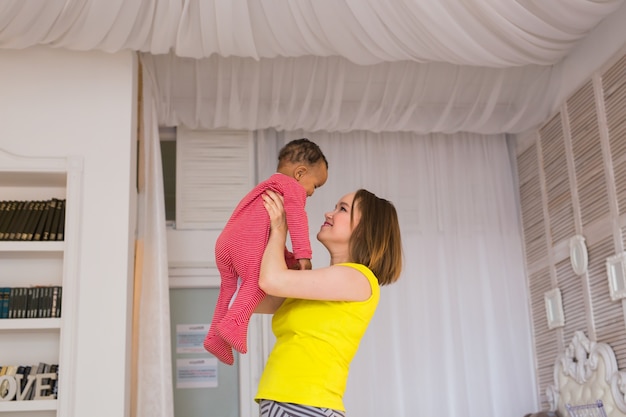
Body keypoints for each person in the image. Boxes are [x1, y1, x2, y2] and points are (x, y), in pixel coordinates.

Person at [254, 188, 403, 417]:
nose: (328, 213)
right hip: (286, 402)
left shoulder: (358, 278)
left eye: (342, 209)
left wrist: (279, 229)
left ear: (365, 229)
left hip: (305, 404)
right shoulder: (324, 283)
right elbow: (254, 300)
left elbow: (270, 280)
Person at [203, 138, 329, 365]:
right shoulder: (292, 188)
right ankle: (234, 325)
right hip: (245, 246)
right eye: (316, 185)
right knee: (257, 280)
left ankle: (214, 337)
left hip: (225, 244)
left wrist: (288, 256)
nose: (312, 192)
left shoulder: (266, 187)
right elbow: (298, 219)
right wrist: (303, 255)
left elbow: (262, 233)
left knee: (229, 289)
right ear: (300, 173)